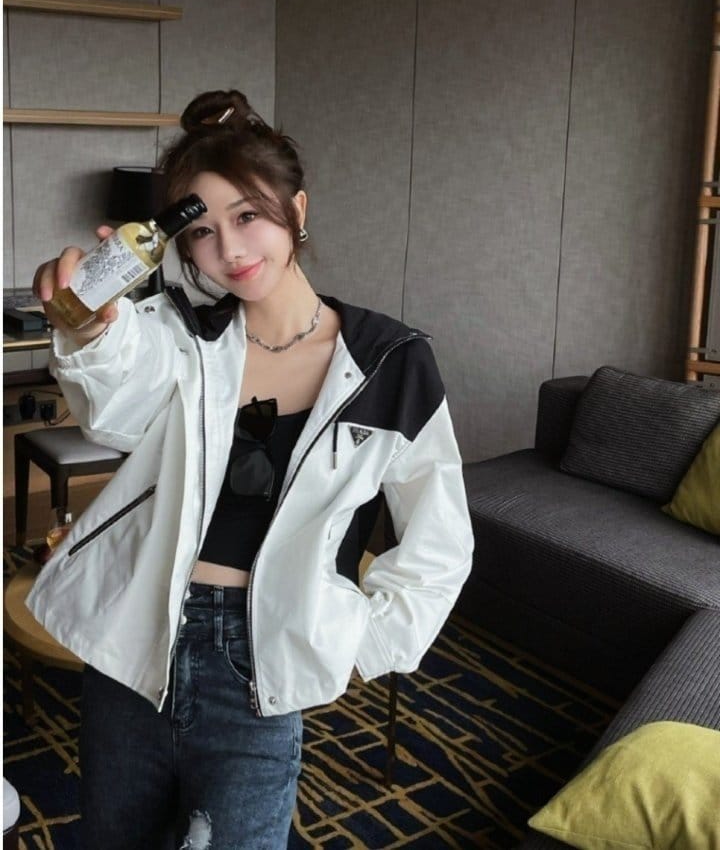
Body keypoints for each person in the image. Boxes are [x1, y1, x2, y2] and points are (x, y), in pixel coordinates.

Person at [27, 89, 474, 850]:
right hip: (141, 635)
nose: (229, 250)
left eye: (247, 216)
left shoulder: (389, 363)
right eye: (201, 231)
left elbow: (440, 539)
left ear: (297, 210)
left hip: (259, 665)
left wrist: (362, 645)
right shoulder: (181, 333)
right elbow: (111, 409)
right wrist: (94, 328)